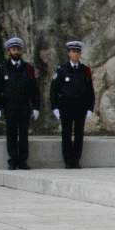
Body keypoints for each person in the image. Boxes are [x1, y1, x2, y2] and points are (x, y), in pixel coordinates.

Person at [0, 37, 40, 170]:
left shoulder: (28, 68)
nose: (16, 51)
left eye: (18, 49)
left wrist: (36, 107)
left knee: (24, 135)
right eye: (13, 49)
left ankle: (23, 161)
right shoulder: (2, 68)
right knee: (11, 134)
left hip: (24, 106)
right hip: (10, 106)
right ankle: (13, 161)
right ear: (9, 51)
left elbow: (34, 89)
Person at [50, 40, 94, 169]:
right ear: (69, 53)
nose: (75, 54)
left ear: (80, 53)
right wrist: (55, 107)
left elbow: (90, 91)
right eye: (73, 51)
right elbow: (54, 90)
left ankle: (76, 159)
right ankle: (68, 160)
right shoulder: (62, 70)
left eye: (77, 52)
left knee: (79, 134)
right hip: (66, 105)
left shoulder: (85, 70)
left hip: (80, 106)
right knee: (66, 133)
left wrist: (90, 107)